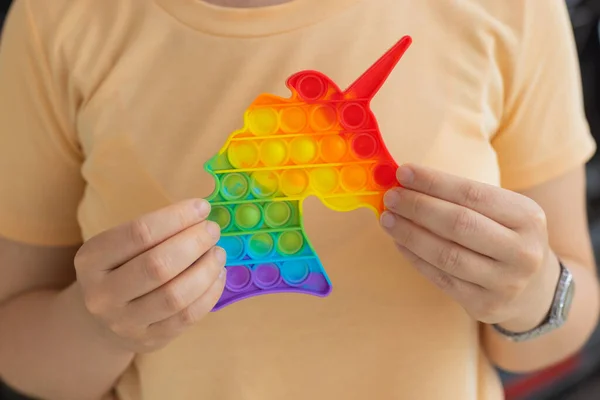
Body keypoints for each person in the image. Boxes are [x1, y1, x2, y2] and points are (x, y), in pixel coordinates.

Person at [0, 0, 598, 399]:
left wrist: (533, 291)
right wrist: (99, 329)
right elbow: (16, 340)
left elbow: (569, 313)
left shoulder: (511, 8)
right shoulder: (56, 18)